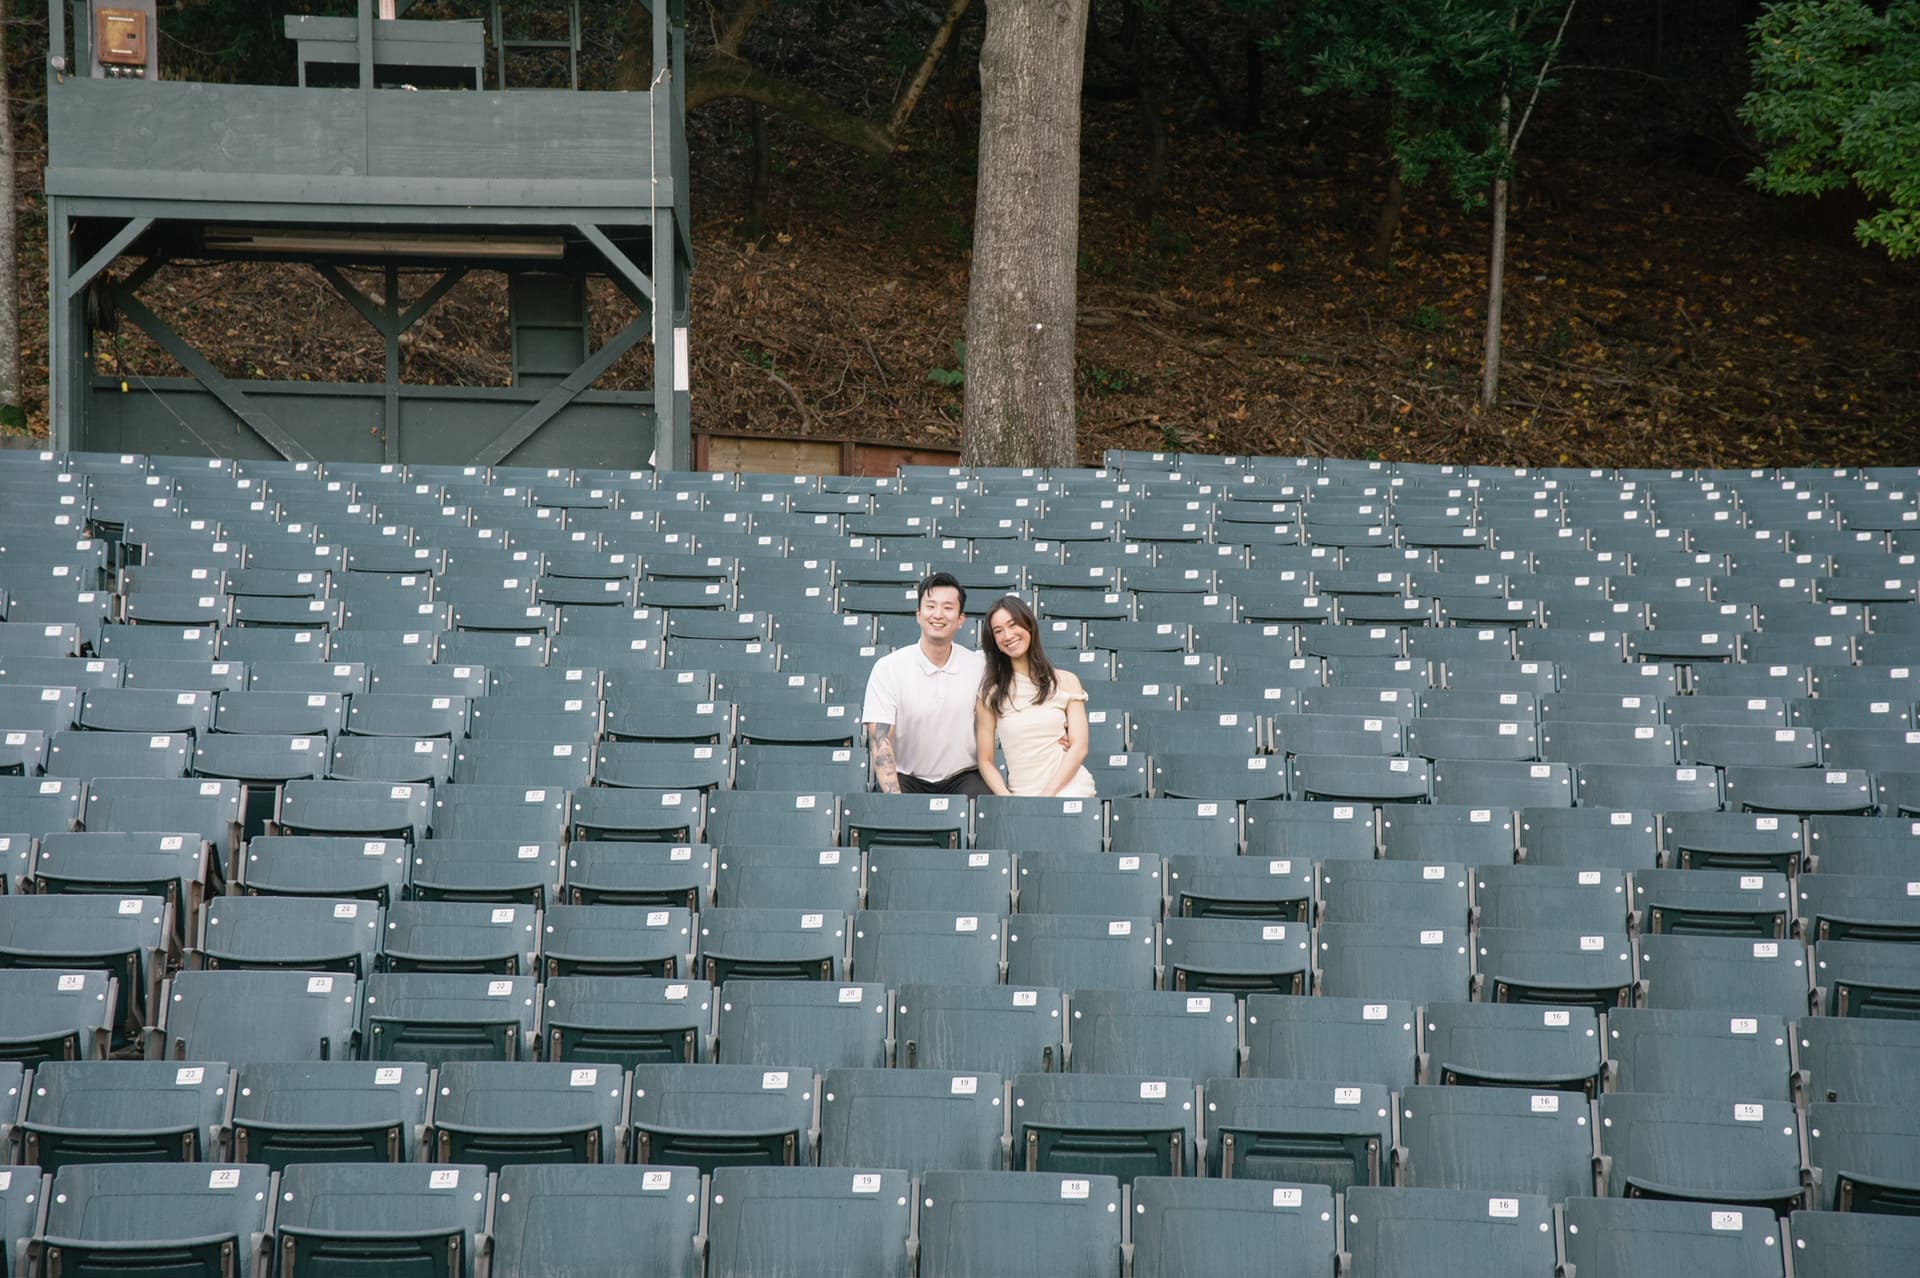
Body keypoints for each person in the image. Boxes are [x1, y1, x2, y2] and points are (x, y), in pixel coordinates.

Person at [862, 571, 992, 795]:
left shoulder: (979, 666)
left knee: (986, 810)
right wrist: (895, 796)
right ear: (918, 614)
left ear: (961, 619)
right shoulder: (888, 668)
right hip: (907, 778)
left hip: (963, 777)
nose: (938, 614)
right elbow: (880, 738)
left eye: (948, 608)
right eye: (931, 606)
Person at [974, 594, 1097, 798]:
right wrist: (1006, 797)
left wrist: (1047, 796)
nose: (1008, 635)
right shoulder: (989, 692)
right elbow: (985, 761)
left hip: (1069, 789)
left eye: (1013, 625)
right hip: (1020, 793)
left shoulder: (1066, 681)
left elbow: (1079, 747)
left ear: (1029, 625)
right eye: (998, 631)